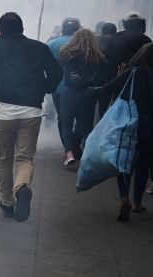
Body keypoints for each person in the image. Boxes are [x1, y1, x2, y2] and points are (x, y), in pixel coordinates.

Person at [0, 12, 62, 222]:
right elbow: (57, 73)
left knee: (5, 159)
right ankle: (22, 187)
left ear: (2, 29)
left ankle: (7, 202)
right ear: (22, 28)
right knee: (25, 158)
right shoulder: (39, 47)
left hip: (4, 112)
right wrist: (46, 88)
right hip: (32, 111)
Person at [100, 43, 153, 221]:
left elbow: (107, 89)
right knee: (143, 163)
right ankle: (138, 202)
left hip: (131, 122)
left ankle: (124, 198)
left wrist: (119, 76)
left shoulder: (133, 73)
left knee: (125, 160)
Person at [59, 29, 105, 166]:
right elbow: (105, 73)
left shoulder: (66, 53)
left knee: (66, 125)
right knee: (86, 127)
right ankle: (88, 155)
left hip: (69, 93)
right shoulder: (96, 56)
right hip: (87, 93)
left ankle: (69, 153)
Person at [47, 18, 81, 147]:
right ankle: (76, 143)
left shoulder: (52, 44)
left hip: (58, 88)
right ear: (78, 29)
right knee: (81, 118)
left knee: (62, 118)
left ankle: (68, 148)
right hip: (80, 87)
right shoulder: (83, 44)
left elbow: (45, 65)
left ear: (63, 29)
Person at [95, 22, 118, 118]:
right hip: (110, 82)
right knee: (105, 111)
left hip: (92, 82)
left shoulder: (94, 41)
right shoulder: (118, 41)